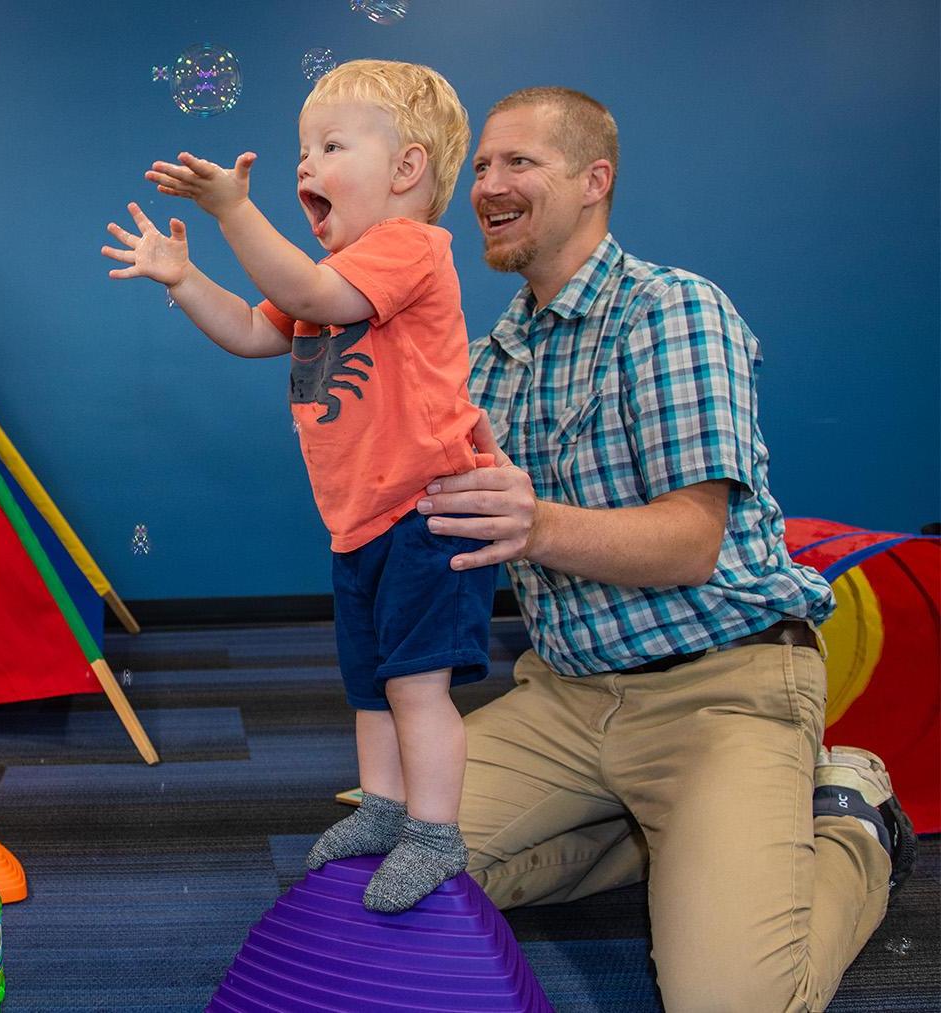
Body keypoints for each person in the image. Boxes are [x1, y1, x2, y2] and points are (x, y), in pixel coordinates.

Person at [419, 87, 917, 1009]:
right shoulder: (487, 363)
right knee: (373, 877)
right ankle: (660, 835)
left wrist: (536, 523)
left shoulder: (672, 311)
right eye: (482, 166)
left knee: (731, 1000)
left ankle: (853, 822)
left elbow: (693, 542)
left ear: (593, 180)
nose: (486, 183)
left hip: (723, 688)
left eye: (517, 162)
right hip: (566, 700)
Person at [103, 59, 493, 912]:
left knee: (415, 684)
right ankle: (384, 805)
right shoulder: (337, 272)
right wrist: (185, 278)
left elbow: (304, 286)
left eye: (329, 145)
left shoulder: (408, 249)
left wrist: (235, 211)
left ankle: (435, 830)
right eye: (301, 149)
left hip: (431, 513)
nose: (304, 165)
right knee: (367, 681)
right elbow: (251, 328)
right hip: (359, 521)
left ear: (406, 169)